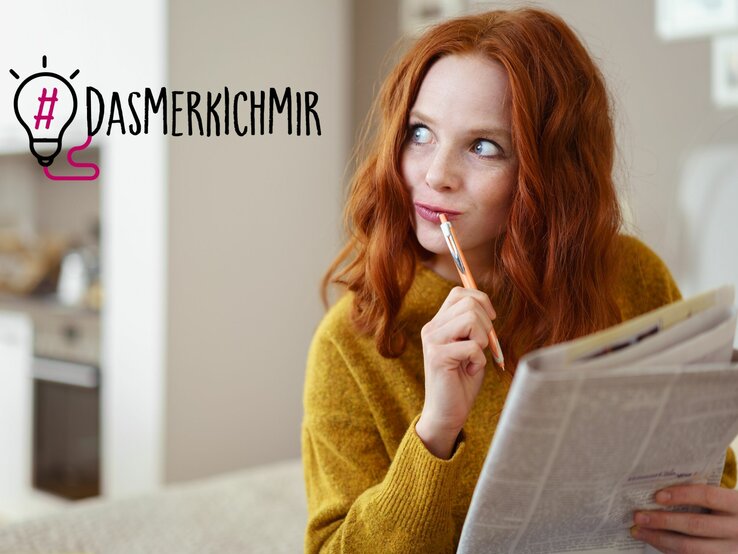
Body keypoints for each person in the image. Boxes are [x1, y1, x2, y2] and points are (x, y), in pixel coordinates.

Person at [301, 7, 738, 553]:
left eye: (483, 146)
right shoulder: (354, 343)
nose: (436, 174)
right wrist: (436, 429)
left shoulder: (632, 276)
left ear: (549, 172)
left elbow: (706, 479)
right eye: (420, 133)